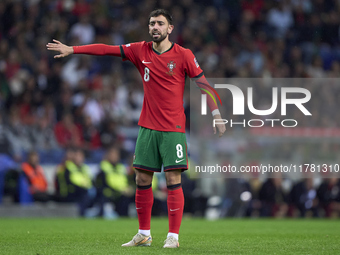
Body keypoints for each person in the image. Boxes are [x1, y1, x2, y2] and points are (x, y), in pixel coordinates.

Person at [47, 9, 226, 248]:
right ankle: (144, 233)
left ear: (170, 29)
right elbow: (106, 49)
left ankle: (173, 236)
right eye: (152, 23)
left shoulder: (184, 55)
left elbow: (204, 85)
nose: (155, 27)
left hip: (173, 129)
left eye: (160, 24)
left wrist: (216, 115)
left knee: (173, 178)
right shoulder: (139, 50)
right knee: (142, 179)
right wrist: (73, 49)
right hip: (147, 128)